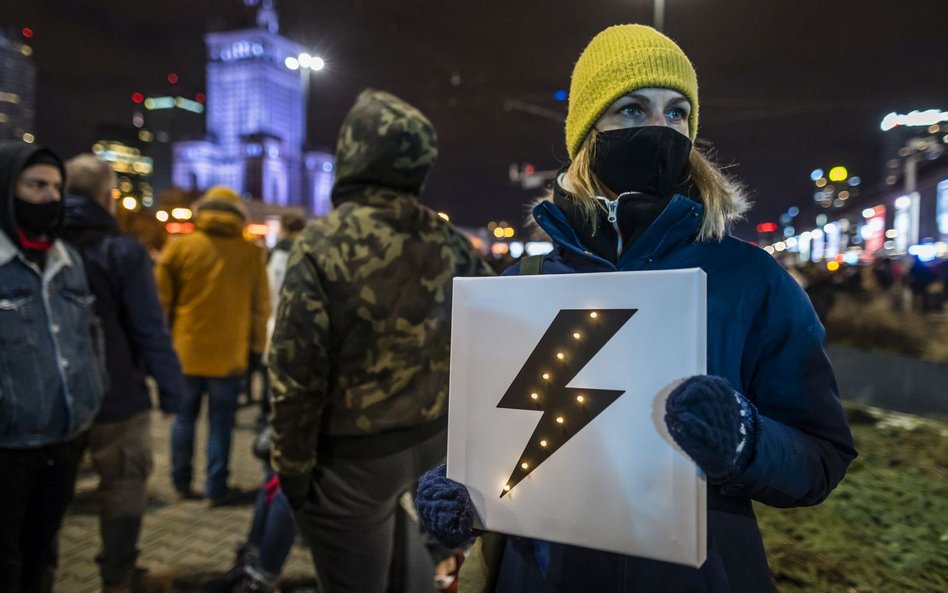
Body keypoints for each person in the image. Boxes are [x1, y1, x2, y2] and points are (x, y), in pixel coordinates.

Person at [415, 24, 857, 593]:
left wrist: (746, 441)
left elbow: (822, 455)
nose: (658, 129)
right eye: (630, 109)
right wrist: (468, 486)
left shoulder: (749, 279)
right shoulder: (521, 284)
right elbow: (512, 444)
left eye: (676, 113)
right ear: (586, 132)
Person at [268, 88, 495, 593]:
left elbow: (296, 374)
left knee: (355, 577)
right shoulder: (449, 242)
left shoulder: (321, 245)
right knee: (402, 550)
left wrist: (292, 468)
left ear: (352, 152)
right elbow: (493, 328)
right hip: (431, 442)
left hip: (353, 457)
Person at [60, 154, 186, 593]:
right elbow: (148, 327)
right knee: (124, 485)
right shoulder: (121, 251)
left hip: (56, 397)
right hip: (117, 395)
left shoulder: (40, 244)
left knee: (53, 490)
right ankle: (118, 577)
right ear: (106, 197)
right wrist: (172, 392)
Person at [0, 141, 104, 593]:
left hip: (63, 443)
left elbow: (88, 335)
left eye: (57, 187)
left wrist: (90, 397)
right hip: (8, 449)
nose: (50, 197)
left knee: (42, 560)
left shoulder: (68, 260)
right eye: (36, 185)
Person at [155, 185, 269, 506]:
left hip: (185, 352)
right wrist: (257, 349)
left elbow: (161, 303)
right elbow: (261, 308)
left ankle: (181, 481)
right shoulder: (251, 253)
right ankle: (215, 486)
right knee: (221, 424)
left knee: (184, 418)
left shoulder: (180, 247)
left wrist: (160, 350)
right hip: (229, 355)